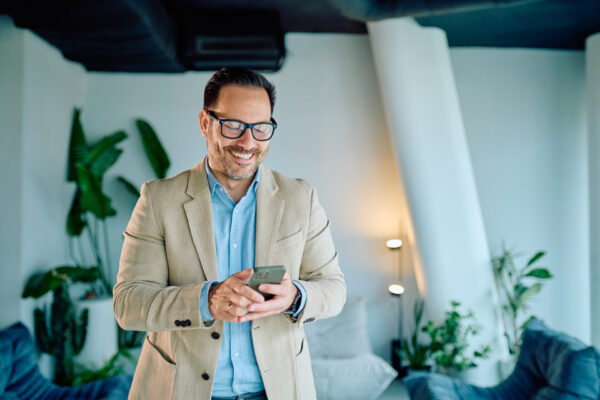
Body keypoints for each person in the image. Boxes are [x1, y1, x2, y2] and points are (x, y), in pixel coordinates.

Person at [113, 67, 346, 400]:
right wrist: (206, 300)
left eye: (261, 128)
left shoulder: (301, 197)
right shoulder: (158, 198)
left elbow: (334, 289)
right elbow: (128, 303)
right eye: (234, 125)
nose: (248, 142)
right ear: (205, 123)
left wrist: (295, 295)